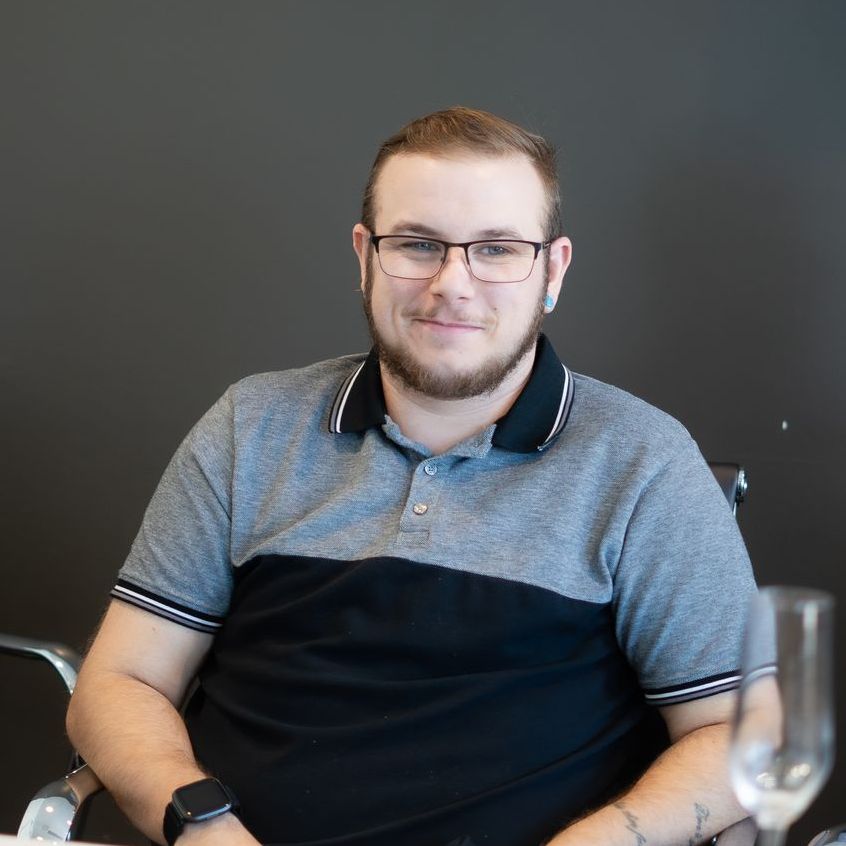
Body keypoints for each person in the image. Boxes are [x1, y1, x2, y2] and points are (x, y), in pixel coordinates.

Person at [67, 107, 757, 846]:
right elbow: (118, 684)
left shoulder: (642, 461)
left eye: (495, 249)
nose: (452, 284)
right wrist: (203, 829)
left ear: (551, 271)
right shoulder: (251, 426)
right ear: (364, 255)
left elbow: (747, 731)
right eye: (419, 244)